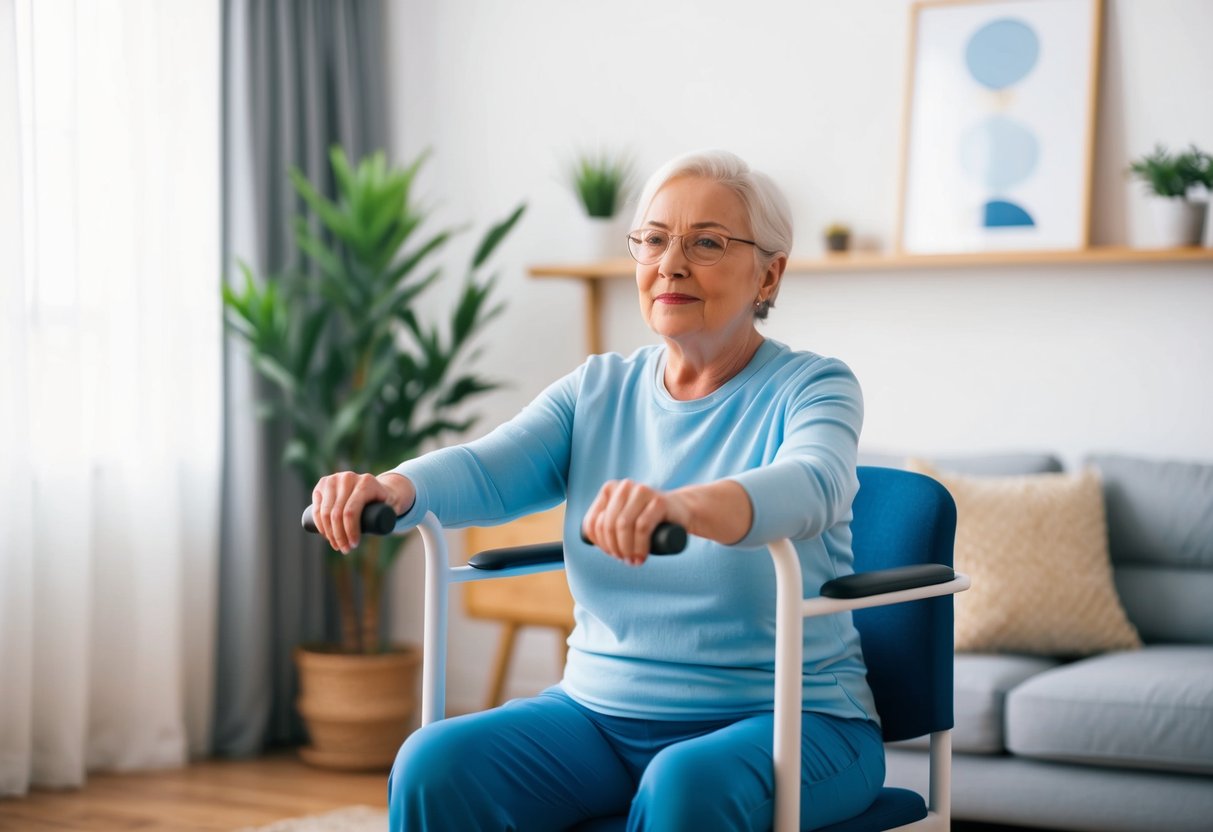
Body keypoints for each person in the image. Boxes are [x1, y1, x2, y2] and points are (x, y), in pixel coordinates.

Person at [309, 149, 885, 831]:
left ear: (769, 272)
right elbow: (490, 468)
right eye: (652, 240)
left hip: (792, 718)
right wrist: (393, 486)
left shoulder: (814, 386)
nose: (670, 263)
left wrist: (681, 506)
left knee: (686, 783)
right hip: (595, 717)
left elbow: (811, 485)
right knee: (435, 763)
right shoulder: (597, 389)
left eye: (705, 243)